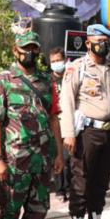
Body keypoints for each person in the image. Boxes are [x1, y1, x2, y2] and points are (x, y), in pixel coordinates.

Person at [0, 29, 63, 219]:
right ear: (15, 50)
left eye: (33, 49)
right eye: (24, 48)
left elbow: (54, 119)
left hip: (42, 159)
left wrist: (59, 154)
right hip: (14, 160)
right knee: (9, 210)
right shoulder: (2, 81)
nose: (29, 53)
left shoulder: (46, 81)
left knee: (38, 209)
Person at [61, 24, 110, 219]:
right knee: (81, 179)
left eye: (106, 41)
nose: (104, 45)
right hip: (86, 133)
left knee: (101, 180)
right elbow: (67, 101)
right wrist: (69, 133)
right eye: (99, 41)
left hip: (109, 131)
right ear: (88, 43)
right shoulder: (77, 67)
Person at [48, 47, 73, 201]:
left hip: (69, 122)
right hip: (55, 123)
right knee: (58, 156)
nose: (56, 63)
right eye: (53, 61)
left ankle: (69, 187)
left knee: (69, 158)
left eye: (59, 60)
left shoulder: (70, 78)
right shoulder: (47, 80)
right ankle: (59, 189)